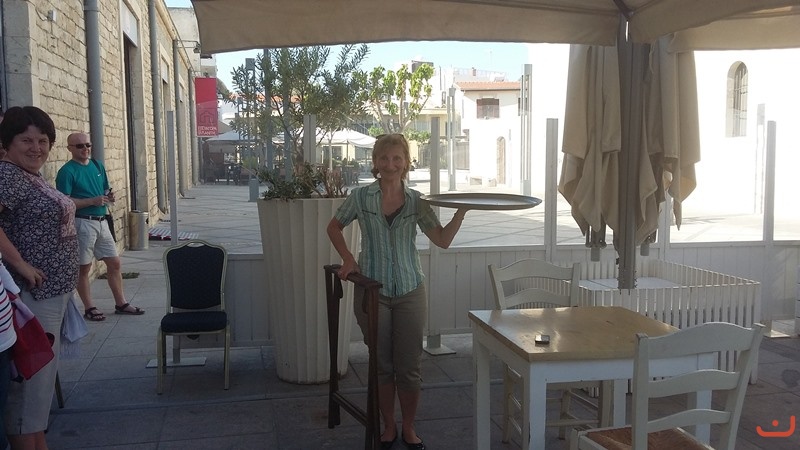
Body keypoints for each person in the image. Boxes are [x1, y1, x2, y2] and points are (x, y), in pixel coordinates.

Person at [327, 133, 467, 450]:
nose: (390, 164)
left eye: (397, 158)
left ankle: (409, 427)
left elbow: (442, 240)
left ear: (406, 163)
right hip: (373, 292)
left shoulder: (417, 201)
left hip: (409, 290)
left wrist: (461, 212)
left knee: (410, 366)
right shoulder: (361, 197)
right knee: (382, 365)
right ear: (375, 162)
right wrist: (348, 258)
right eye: (384, 158)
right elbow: (334, 227)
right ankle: (389, 426)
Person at [0, 106, 79, 449]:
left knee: (40, 389)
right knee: (30, 387)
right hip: (32, 296)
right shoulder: (9, 175)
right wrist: (21, 264)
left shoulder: (30, 175)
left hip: (52, 295)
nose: (36, 148)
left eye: (43, 140)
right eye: (26, 140)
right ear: (8, 144)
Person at [55, 132, 144, 321]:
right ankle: (89, 307)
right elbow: (64, 202)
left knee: (114, 263)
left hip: (102, 221)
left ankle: (121, 303)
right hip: (82, 222)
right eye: (79, 146)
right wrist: (91, 201)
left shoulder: (97, 165)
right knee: (84, 267)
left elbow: (105, 189)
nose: (85, 149)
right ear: (70, 148)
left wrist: (109, 197)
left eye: (87, 144)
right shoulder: (67, 171)